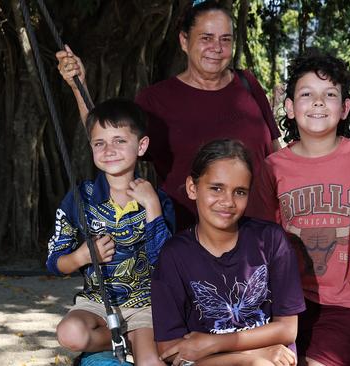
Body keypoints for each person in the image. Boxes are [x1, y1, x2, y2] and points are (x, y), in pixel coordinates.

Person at [56, 0, 280, 231]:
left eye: (226, 39)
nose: (217, 47)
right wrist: (78, 86)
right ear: (184, 40)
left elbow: (276, 157)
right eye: (206, 38)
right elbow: (106, 138)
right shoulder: (156, 100)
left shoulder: (247, 84)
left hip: (261, 234)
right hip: (190, 241)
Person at [254, 52, 350, 365]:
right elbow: (260, 238)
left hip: (348, 302)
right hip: (286, 300)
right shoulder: (271, 168)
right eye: (306, 94)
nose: (317, 102)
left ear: (345, 108)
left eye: (329, 95)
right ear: (288, 108)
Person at [150, 139, 306, 366]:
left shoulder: (271, 240)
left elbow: (288, 329)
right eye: (216, 188)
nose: (228, 201)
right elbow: (170, 351)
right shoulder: (174, 256)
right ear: (193, 188)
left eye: (240, 192)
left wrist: (213, 343)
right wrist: (250, 356)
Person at [46, 98, 175, 365]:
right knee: (69, 334)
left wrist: (151, 207)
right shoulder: (80, 198)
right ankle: (120, 339)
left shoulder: (158, 200)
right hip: (97, 305)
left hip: (147, 307)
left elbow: (167, 266)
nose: (109, 149)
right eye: (99, 143)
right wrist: (81, 256)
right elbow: (54, 262)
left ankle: (133, 339)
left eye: (119, 141)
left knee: (152, 363)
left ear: (141, 146)